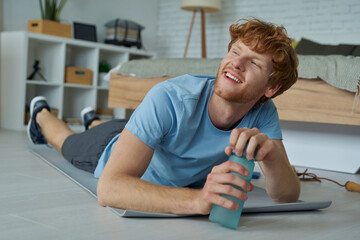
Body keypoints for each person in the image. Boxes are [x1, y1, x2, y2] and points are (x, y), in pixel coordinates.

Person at [28, 18, 300, 215]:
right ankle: (40, 112)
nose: (236, 63)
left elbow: (287, 195)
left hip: (147, 135)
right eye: (235, 51)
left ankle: (93, 120)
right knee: (66, 141)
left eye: (253, 62)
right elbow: (109, 189)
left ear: (271, 88)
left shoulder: (264, 113)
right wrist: (197, 201)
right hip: (106, 148)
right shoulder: (170, 97)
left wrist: (274, 158)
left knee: (123, 130)